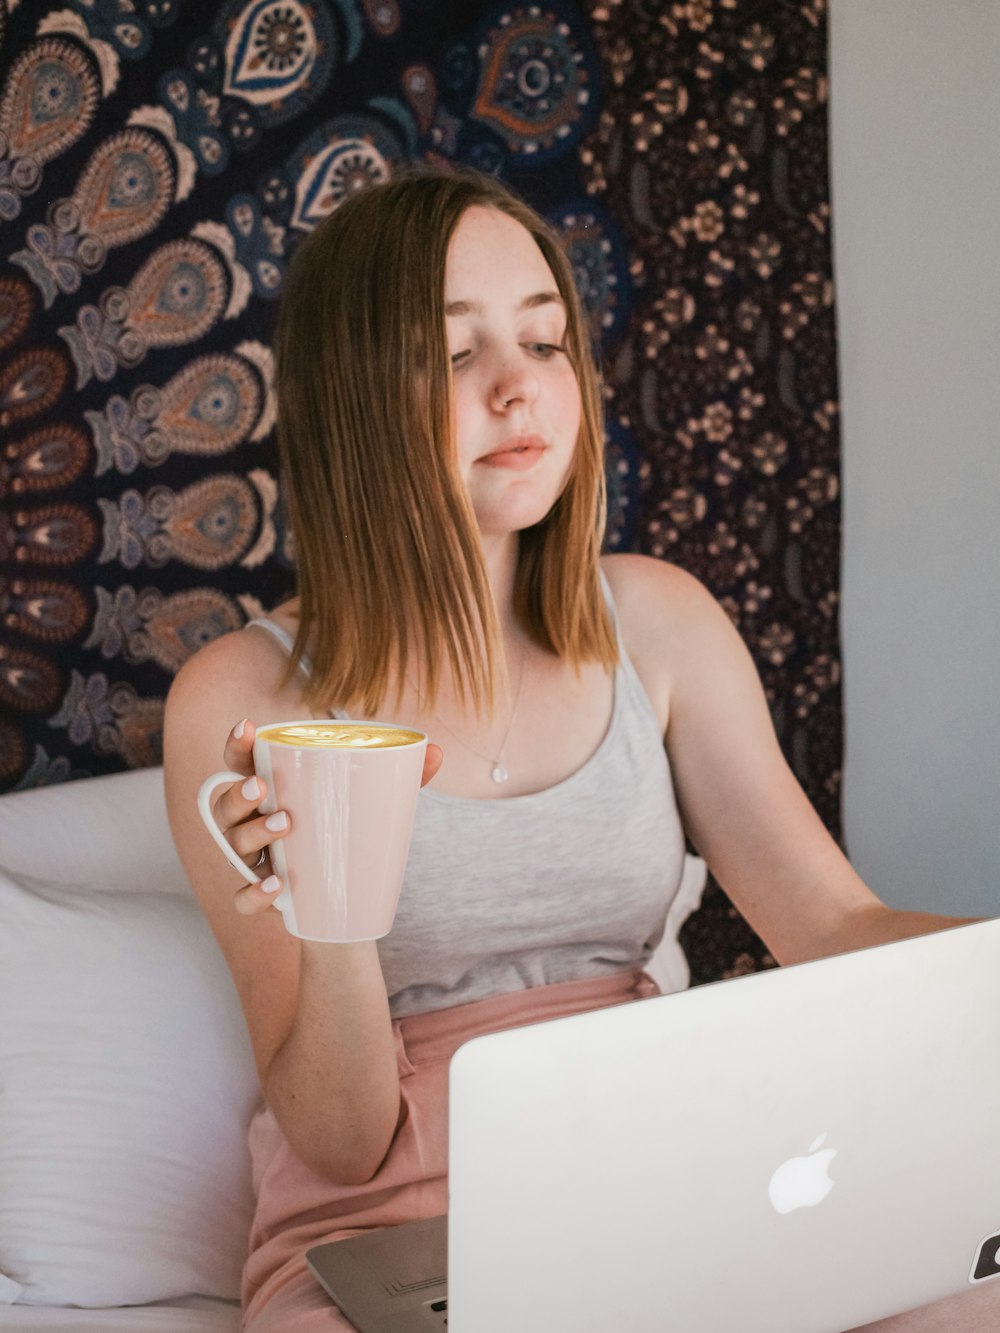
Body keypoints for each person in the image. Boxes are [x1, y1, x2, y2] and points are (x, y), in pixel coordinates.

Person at [164, 167, 995, 1333]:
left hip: (661, 1177)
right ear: (355, 394)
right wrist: (333, 909)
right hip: (391, 1233)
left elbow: (834, 929)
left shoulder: (655, 622)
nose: (520, 389)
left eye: (544, 341)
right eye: (455, 355)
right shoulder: (245, 699)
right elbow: (342, 1143)